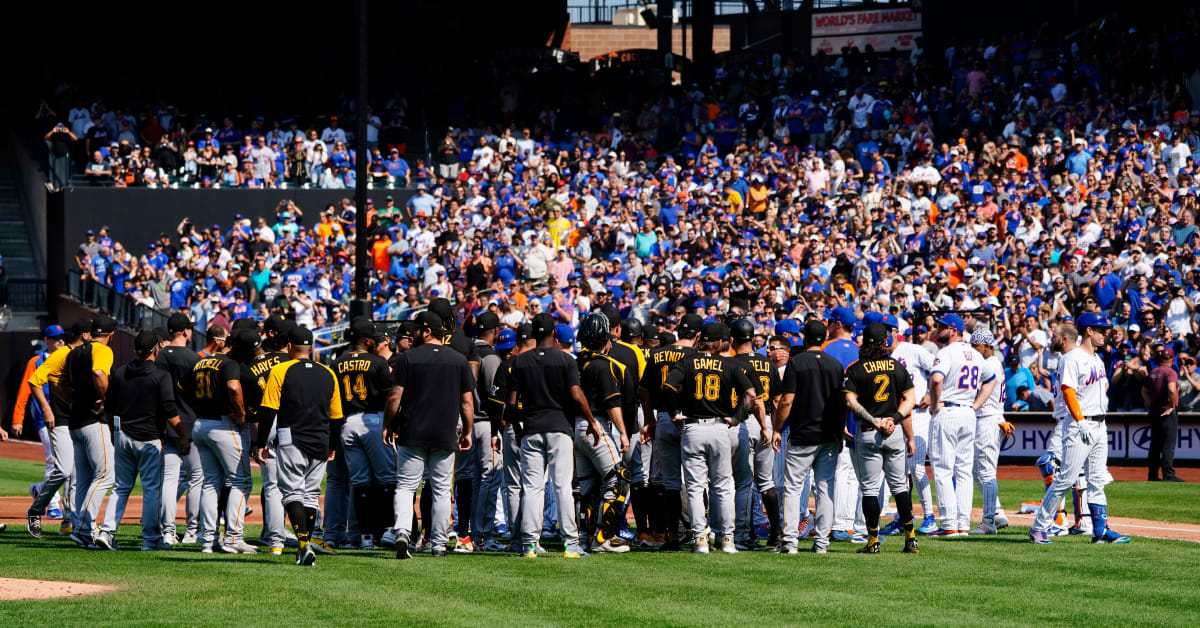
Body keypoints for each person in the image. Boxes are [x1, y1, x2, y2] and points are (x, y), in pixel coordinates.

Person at [1030, 314, 1131, 545]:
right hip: (1079, 425)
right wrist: (1081, 420)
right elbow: (1068, 391)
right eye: (1100, 329)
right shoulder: (1072, 358)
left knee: (1096, 479)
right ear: (1088, 331)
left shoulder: (1097, 359)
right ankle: (1038, 527)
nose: (1105, 333)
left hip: (1098, 424)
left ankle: (1100, 531)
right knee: (1065, 479)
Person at [384, 311, 475, 559]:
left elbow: (394, 396)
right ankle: (438, 543)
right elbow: (467, 402)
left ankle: (402, 530)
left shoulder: (407, 358)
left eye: (416, 329)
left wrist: (388, 424)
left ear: (426, 331)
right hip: (444, 432)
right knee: (442, 489)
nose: (412, 334)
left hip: (412, 431)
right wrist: (467, 431)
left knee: (405, 486)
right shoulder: (458, 360)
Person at [663, 322, 760, 554]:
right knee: (723, 486)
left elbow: (667, 387)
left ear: (700, 339)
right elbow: (751, 394)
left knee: (696, 487)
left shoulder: (687, 361)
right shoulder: (729, 363)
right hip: (719, 428)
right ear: (719, 343)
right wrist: (737, 418)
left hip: (693, 427)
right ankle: (727, 540)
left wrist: (674, 413)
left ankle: (700, 541)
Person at [509, 312, 597, 558]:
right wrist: (591, 421)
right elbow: (576, 395)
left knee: (532, 488)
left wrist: (517, 430)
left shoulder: (520, 361)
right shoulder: (565, 359)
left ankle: (529, 544)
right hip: (559, 427)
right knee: (562, 487)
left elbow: (512, 402)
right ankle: (571, 543)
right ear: (554, 334)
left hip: (531, 428)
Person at [258, 325, 345, 566]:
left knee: (292, 493)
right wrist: (332, 444)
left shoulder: (280, 370)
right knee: (310, 494)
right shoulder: (328, 372)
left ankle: (304, 543)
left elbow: (268, 409)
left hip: (290, 436)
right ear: (312, 348)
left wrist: (260, 442)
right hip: (320, 438)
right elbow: (337, 417)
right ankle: (304, 544)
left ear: (288, 347)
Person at [95, 330, 186, 551]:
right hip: (149, 438)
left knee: (121, 486)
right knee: (151, 489)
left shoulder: (120, 372)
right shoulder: (161, 375)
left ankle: (107, 531)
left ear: (135, 350)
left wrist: (112, 433)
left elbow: (109, 407)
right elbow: (169, 409)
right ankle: (150, 539)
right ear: (156, 349)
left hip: (123, 434)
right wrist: (183, 434)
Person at [842, 322, 919, 554]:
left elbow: (849, 401)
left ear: (864, 342)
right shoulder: (896, 366)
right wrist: (893, 419)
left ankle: (873, 541)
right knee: (900, 487)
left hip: (869, 431)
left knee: (870, 489)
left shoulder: (855, 368)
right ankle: (911, 539)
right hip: (893, 430)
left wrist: (875, 420)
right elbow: (911, 399)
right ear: (886, 342)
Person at [772, 321, 844, 554]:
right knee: (825, 488)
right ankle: (822, 543)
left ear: (804, 339)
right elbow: (841, 402)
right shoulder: (835, 364)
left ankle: (790, 542)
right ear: (824, 338)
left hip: (803, 433)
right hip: (829, 434)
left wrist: (777, 428)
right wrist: (840, 429)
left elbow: (787, 400)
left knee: (793, 488)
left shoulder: (797, 362)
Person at [639, 313, 703, 551]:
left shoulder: (656, 353)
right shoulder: (696, 355)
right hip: (690, 419)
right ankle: (700, 535)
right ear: (698, 335)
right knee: (696, 481)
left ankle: (672, 536)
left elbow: (644, 388)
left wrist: (649, 419)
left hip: (664, 416)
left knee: (670, 481)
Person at [332, 319, 396, 551]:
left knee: (359, 482)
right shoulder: (378, 362)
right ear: (367, 340)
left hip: (348, 423)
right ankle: (388, 529)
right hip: (373, 420)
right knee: (387, 478)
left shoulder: (337, 362)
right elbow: (391, 395)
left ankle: (365, 536)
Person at [190, 328, 255, 553]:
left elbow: (186, 391)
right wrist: (241, 414)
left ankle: (208, 540)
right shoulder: (230, 363)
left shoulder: (201, 362)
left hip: (200, 424)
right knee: (242, 481)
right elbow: (233, 386)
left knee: (210, 483)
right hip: (223, 424)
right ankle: (234, 538)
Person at [25, 318, 91, 540]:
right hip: (60, 419)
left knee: (76, 473)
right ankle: (35, 510)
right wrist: (46, 409)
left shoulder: (86, 355)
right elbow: (34, 381)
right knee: (63, 470)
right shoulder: (60, 355)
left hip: (79, 420)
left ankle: (69, 520)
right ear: (85, 336)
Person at [573, 313, 632, 554]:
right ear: (606, 339)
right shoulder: (603, 364)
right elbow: (612, 403)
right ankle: (603, 537)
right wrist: (623, 432)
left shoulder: (576, 361)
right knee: (619, 478)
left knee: (587, 487)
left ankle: (586, 536)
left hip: (575, 428)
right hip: (596, 425)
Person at [231, 323, 288, 554]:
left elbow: (253, 412)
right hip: (293, 420)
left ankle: (275, 538)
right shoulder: (282, 359)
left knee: (272, 484)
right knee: (299, 483)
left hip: (268, 422)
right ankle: (302, 532)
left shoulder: (245, 370)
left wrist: (257, 441)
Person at [63, 315, 118, 548]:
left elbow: (59, 382)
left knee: (84, 480)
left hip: (75, 420)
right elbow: (98, 373)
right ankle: (85, 528)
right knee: (106, 476)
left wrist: (72, 401)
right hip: (94, 421)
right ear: (111, 335)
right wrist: (107, 401)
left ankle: (79, 527)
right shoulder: (103, 350)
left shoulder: (74, 351)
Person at [927, 313, 983, 537]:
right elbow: (991, 379)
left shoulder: (946, 352)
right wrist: (976, 405)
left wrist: (933, 404)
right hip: (968, 411)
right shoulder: (976, 355)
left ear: (954, 330)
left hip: (948, 409)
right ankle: (962, 524)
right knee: (963, 471)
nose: (938, 329)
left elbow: (936, 379)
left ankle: (949, 523)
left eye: (942, 326)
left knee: (942, 470)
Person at [729, 317, 781, 550]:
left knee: (743, 482)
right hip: (768, 421)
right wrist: (775, 428)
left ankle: (744, 535)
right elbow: (778, 401)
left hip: (742, 421)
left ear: (732, 339)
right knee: (766, 481)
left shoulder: (731, 363)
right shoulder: (768, 363)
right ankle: (776, 533)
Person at [886, 317, 938, 535]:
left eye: (888, 330)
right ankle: (902, 518)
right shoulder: (882, 357)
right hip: (897, 417)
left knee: (916, 468)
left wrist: (929, 393)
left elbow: (938, 367)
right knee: (900, 472)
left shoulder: (912, 350)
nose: (885, 335)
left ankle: (929, 517)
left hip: (917, 413)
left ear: (896, 331)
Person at [12, 325, 69, 522]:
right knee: (53, 461)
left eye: (62, 337)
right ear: (47, 340)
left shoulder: (69, 358)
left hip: (67, 418)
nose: (60, 341)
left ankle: (40, 490)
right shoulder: (36, 362)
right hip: (45, 419)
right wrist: (17, 419)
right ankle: (53, 505)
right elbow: (24, 391)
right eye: (56, 338)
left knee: (67, 464)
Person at [157, 313, 203, 546]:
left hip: (165, 424)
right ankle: (192, 531)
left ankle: (167, 531)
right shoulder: (194, 359)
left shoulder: (159, 356)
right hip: (190, 424)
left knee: (169, 479)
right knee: (196, 477)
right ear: (185, 331)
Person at [968, 329, 1014, 534]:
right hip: (991, 419)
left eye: (976, 346)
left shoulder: (988, 364)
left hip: (988, 419)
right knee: (978, 471)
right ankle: (997, 513)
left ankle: (988, 522)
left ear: (987, 346)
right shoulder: (994, 363)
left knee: (985, 472)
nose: (973, 350)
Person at [467, 312, 505, 552]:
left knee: (473, 482)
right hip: (485, 424)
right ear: (495, 331)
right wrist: (496, 429)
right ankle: (482, 537)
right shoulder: (491, 357)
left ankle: (471, 533)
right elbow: (495, 397)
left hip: (465, 423)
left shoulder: (465, 352)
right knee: (490, 480)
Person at [1143, 344, 1184, 482]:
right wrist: (1172, 405)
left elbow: (1143, 389)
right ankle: (1168, 475)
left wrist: (1148, 402)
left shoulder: (1154, 371)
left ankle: (1152, 475)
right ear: (1172, 358)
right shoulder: (1170, 372)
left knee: (1155, 445)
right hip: (1166, 411)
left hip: (1154, 410)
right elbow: (1172, 389)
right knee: (1167, 445)